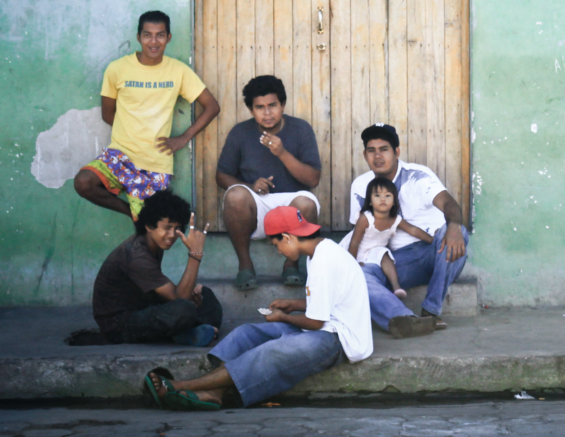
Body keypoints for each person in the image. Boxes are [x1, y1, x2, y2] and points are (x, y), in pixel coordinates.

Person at [143, 205, 372, 410]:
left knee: (271, 351)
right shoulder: (318, 253)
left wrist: (283, 317)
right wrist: (293, 304)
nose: (279, 252)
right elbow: (329, 301)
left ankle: (179, 385)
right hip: (326, 328)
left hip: (340, 340)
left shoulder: (324, 259)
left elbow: (315, 321)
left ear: (287, 237)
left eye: (276, 246)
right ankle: (214, 392)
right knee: (247, 333)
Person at [74, 11, 221, 221]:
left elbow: (212, 106)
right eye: (147, 35)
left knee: (154, 231)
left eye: (160, 35)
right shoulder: (117, 69)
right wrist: (132, 132)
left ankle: (142, 219)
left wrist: (183, 138)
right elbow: (108, 114)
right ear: (138, 37)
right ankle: (133, 215)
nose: (153, 42)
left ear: (168, 38)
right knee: (83, 182)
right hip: (120, 156)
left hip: (156, 162)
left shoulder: (178, 71)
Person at [350, 124, 469, 337]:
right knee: (359, 275)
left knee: (457, 233)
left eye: (384, 149)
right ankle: (405, 320)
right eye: (371, 150)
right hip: (397, 262)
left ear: (396, 152)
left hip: (434, 252)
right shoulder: (361, 186)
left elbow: (449, 203)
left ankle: (430, 311)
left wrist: (453, 226)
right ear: (364, 155)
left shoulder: (418, 175)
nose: (377, 156)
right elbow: (359, 234)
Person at [216, 75, 322, 290]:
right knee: (235, 195)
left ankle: (291, 265)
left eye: (273, 105)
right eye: (259, 107)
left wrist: (282, 153)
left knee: (307, 203)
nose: (267, 113)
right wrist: (250, 187)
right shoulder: (240, 132)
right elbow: (221, 176)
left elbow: (313, 179)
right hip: (257, 204)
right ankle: (245, 266)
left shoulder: (300, 129)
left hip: (290, 204)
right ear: (251, 110)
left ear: (283, 105)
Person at [91, 190, 221, 345]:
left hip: (144, 307)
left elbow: (168, 294)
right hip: (119, 326)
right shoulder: (137, 255)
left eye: (177, 228)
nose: (172, 235)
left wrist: (194, 299)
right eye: (167, 227)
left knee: (205, 295)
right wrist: (195, 254)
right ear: (149, 225)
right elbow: (179, 299)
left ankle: (191, 331)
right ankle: (192, 331)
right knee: (184, 309)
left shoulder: (153, 244)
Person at [339, 176, 434, 300]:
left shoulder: (395, 220)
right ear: (370, 201)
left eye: (388, 196)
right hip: (354, 251)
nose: (382, 199)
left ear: (394, 201)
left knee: (385, 255)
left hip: (375, 252)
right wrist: (354, 263)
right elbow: (355, 242)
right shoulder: (366, 219)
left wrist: (432, 240)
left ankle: (396, 288)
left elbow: (413, 230)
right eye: (377, 196)